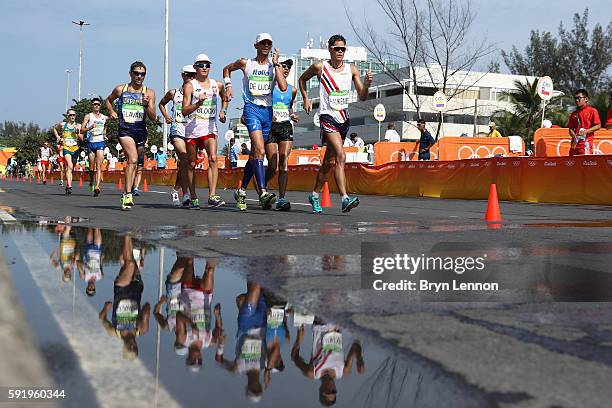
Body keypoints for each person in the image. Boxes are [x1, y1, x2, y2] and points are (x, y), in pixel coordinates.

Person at [299, 34, 372, 213]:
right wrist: (306, 99)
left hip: (343, 119)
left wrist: (367, 84)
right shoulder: (320, 67)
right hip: (327, 117)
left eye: (343, 49)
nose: (340, 52)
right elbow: (302, 80)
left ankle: (314, 195)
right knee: (341, 155)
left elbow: (362, 97)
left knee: (329, 162)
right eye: (337, 48)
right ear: (330, 49)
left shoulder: (352, 69)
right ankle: (345, 198)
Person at [223, 33, 288, 211]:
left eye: (269, 43)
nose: (266, 46)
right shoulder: (246, 63)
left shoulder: (274, 66)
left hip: (267, 112)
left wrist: (276, 65)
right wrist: (228, 86)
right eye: (262, 43)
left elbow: (282, 87)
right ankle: (263, 192)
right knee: (259, 150)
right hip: (251, 109)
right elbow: (226, 69)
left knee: (255, 157)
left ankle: (242, 190)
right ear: (256, 45)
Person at [105, 61, 156, 210]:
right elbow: (108, 101)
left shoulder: (149, 92)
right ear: (130, 74)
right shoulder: (121, 89)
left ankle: (127, 189)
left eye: (142, 74)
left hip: (140, 131)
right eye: (136, 73)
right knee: (132, 160)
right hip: (125, 130)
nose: (139, 77)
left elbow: (153, 117)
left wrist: (147, 105)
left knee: (136, 164)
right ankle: (128, 195)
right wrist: (112, 111)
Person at [182, 53, 229, 209]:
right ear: (195, 67)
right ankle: (193, 196)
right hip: (192, 130)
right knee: (192, 163)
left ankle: (212, 195)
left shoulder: (217, 84)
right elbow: (184, 111)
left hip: (209, 128)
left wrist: (223, 111)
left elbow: (225, 96)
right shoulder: (190, 85)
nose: (204, 68)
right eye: (201, 65)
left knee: (213, 158)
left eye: (207, 65)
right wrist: (198, 104)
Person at [99, 235, 151, 361]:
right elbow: (147, 306)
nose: (133, 345)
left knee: (130, 264)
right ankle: (127, 236)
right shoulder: (141, 330)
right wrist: (143, 318)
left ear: (124, 347)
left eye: (130, 347)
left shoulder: (114, 332)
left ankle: (127, 233)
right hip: (136, 288)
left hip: (121, 290)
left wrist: (106, 308)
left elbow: (101, 319)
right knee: (130, 260)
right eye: (135, 347)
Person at [291, 318, 365, 406]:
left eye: (328, 391)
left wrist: (299, 338)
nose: (332, 388)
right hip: (338, 323)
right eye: (334, 391)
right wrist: (359, 359)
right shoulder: (343, 371)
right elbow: (355, 345)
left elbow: (294, 357)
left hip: (321, 323)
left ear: (321, 389)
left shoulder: (312, 372)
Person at [260, 58, 299, 211]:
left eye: (289, 66)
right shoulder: (269, 87)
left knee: (283, 161)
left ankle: (282, 198)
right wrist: (268, 115)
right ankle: (263, 186)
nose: (286, 69)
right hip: (270, 126)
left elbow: (289, 107)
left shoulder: (292, 89)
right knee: (273, 165)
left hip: (285, 126)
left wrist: (292, 114)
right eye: (283, 66)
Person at [159, 65, 196, 206]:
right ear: (183, 75)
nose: (192, 77)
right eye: (189, 75)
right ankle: (186, 194)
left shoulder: (197, 93)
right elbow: (161, 104)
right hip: (177, 129)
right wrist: (167, 116)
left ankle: (176, 189)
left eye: (194, 75)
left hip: (191, 130)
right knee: (185, 158)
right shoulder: (174, 93)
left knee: (186, 164)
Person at [81, 98, 108, 197]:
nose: (96, 106)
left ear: (100, 106)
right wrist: (90, 127)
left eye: (98, 104)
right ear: (92, 106)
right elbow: (82, 130)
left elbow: (107, 124)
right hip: (91, 143)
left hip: (100, 141)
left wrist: (105, 134)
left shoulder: (103, 117)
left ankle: (97, 187)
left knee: (99, 166)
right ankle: (92, 181)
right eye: (94, 104)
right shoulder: (88, 116)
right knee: (92, 167)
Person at [53, 109, 82, 195]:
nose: (72, 116)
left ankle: (68, 184)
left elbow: (80, 135)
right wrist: (58, 136)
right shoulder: (63, 125)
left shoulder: (78, 125)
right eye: (71, 115)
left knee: (71, 168)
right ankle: (69, 186)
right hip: (66, 148)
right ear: (67, 116)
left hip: (75, 149)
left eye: (74, 115)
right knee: (69, 165)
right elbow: (54, 128)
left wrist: (78, 132)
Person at [567, 89, 601, 156]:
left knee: (585, 165)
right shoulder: (574, 113)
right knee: (572, 165)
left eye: (579, 98)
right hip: (574, 145)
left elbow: (598, 126)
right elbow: (570, 128)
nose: (577, 100)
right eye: (575, 98)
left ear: (586, 99)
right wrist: (574, 136)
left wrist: (586, 131)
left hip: (585, 144)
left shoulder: (592, 111)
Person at [77, 228, 104, 296]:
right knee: (97, 228)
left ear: (87, 288)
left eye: (89, 289)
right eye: (93, 289)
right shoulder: (100, 277)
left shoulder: (84, 277)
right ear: (95, 288)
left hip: (87, 251)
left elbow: (78, 263)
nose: (91, 288)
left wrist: (86, 266)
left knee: (90, 227)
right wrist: (102, 258)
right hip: (97, 251)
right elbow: (100, 266)